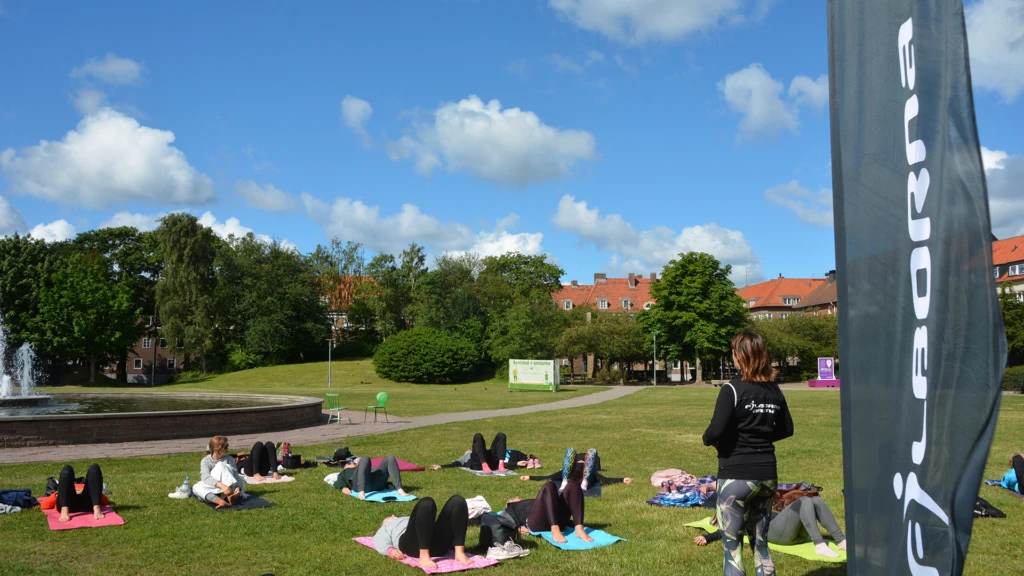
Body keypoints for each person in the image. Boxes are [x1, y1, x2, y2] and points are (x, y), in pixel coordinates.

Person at [702, 330, 794, 576]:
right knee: (761, 545)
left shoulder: (732, 389)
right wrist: (760, 439)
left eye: (733, 353)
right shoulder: (774, 390)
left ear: (740, 356)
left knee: (732, 549)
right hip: (767, 475)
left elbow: (714, 432)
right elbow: (787, 429)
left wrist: (711, 440)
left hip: (736, 475)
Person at [694, 495, 846, 558]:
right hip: (777, 534)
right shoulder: (739, 515)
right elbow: (727, 531)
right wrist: (707, 537)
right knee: (804, 500)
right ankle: (819, 544)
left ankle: (841, 541)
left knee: (815, 501)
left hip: (790, 531)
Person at [372, 495, 472, 569]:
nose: (391, 516)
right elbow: (379, 538)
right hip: (413, 547)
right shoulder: (388, 526)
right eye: (388, 517)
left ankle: (459, 552)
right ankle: (424, 556)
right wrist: (389, 550)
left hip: (437, 545)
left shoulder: (412, 517)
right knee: (427, 503)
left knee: (458, 501)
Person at [498, 480, 592, 544]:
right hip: (537, 523)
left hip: (556, 518)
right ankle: (555, 529)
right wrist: (517, 529)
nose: (517, 497)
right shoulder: (510, 508)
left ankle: (579, 528)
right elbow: (501, 521)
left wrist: (570, 522)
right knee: (549, 485)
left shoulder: (535, 503)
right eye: (514, 498)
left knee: (573, 485)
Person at [520, 447, 633, 489]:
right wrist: (529, 477)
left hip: (586, 477)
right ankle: (565, 482)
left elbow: (605, 479)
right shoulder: (566, 470)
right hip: (571, 477)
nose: (580, 461)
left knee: (592, 451)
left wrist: (622, 479)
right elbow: (548, 477)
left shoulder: (592, 471)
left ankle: (584, 482)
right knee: (570, 450)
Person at [429, 433, 532, 472]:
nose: (467, 451)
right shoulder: (467, 456)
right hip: (478, 463)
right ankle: (484, 464)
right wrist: (441, 466)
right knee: (478, 436)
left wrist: (515, 464)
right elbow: (455, 464)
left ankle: (500, 464)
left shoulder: (478, 451)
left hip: (492, 462)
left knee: (501, 435)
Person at [193, 436, 247, 509]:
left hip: (229, 488)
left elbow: (235, 475)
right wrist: (222, 486)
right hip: (217, 488)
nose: (228, 449)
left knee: (221, 465)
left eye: (227, 446)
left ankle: (230, 496)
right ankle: (220, 501)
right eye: (225, 447)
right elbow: (205, 477)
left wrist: (238, 487)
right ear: (216, 449)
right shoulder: (205, 461)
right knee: (195, 487)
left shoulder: (229, 459)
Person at [331, 454, 409, 500]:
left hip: (374, 482)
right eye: (350, 463)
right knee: (365, 458)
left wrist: (387, 484)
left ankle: (399, 489)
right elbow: (338, 482)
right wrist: (342, 488)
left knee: (390, 457)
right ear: (347, 465)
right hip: (358, 484)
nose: (353, 463)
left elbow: (372, 473)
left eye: (354, 462)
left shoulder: (363, 468)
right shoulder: (345, 472)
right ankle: (361, 491)